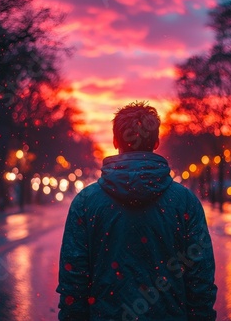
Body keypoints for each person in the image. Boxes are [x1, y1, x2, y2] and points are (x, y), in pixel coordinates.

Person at [56, 102, 217, 320]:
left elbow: (73, 279)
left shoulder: (86, 202)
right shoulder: (185, 202)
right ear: (156, 142)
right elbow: (200, 277)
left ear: (115, 141)